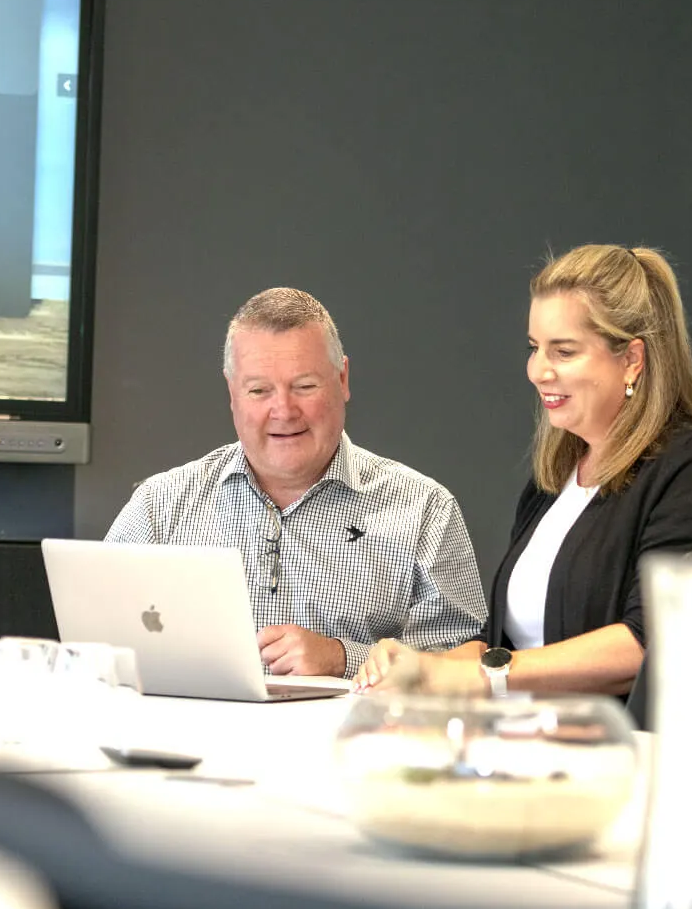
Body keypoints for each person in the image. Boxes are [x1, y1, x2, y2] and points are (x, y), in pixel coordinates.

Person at [355, 244, 692, 698]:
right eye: (534, 348)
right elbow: (503, 644)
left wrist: (487, 676)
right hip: (531, 736)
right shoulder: (557, 475)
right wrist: (421, 667)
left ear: (632, 360)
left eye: (563, 352)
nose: (537, 371)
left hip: (623, 749)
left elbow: (658, 641)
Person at [106, 287, 486, 677]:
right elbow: (95, 647)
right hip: (185, 736)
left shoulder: (425, 510)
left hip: (353, 736)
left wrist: (342, 659)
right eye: (259, 390)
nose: (284, 411)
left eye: (304, 386)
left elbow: (464, 666)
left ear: (343, 379)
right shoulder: (161, 506)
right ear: (232, 393)